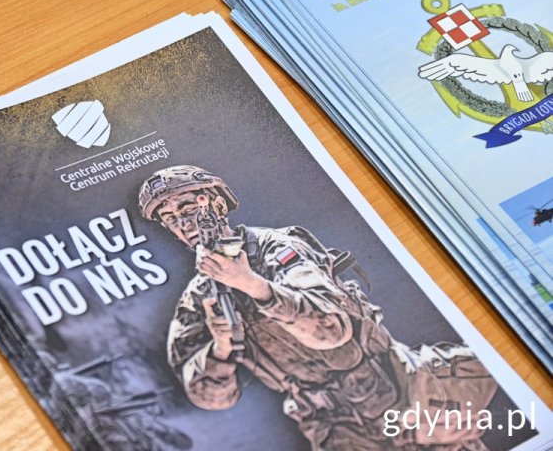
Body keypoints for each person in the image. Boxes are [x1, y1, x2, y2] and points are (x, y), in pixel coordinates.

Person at [138, 166, 499, 450]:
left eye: (188, 209)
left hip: (404, 398)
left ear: (216, 206)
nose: (183, 224)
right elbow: (210, 398)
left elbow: (332, 331)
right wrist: (220, 349)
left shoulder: (275, 248)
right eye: (170, 218)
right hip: (335, 429)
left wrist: (251, 284)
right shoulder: (199, 298)